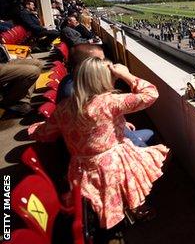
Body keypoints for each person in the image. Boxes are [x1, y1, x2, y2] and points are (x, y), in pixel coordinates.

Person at [29, 58, 169, 229]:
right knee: (150, 159)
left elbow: (45, 133)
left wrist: (35, 128)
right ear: (102, 79)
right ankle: (137, 208)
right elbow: (150, 94)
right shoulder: (109, 102)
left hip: (81, 170)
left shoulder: (65, 107)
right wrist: (127, 75)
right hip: (113, 165)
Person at [0, 43, 43, 115]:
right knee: (33, 71)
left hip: (4, 61)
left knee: (37, 63)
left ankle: (22, 100)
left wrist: (13, 57)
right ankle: (7, 102)